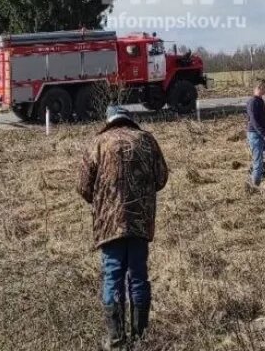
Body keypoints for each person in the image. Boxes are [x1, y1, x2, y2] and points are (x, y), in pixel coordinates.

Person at [77, 105, 169, 349]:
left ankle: (116, 339)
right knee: (138, 276)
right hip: (140, 222)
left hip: (109, 225)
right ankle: (141, 338)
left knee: (113, 276)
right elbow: (161, 178)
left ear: (109, 121)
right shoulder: (147, 140)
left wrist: (103, 201)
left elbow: (83, 187)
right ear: (129, 120)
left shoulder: (97, 143)